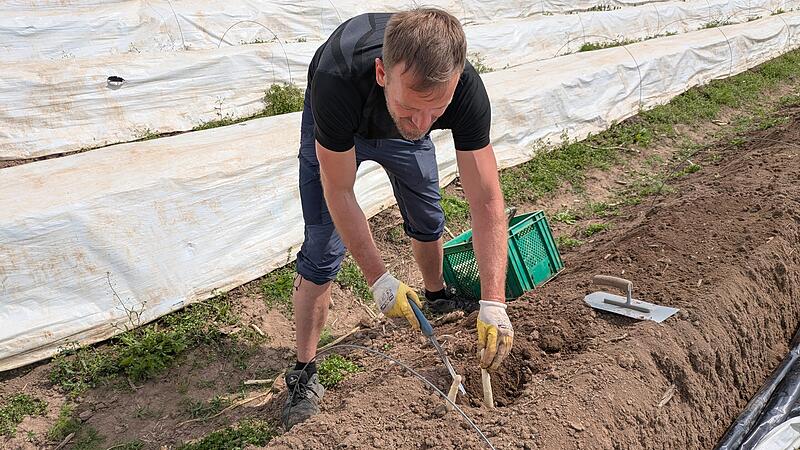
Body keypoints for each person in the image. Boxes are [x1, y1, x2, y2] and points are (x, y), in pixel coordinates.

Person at [283, 8, 514, 430]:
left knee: (427, 213)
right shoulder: (337, 79)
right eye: (412, 109)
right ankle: (303, 370)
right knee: (322, 247)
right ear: (382, 73)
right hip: (345, 124)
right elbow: (339, 190)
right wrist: (379, 279)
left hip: (392, 114)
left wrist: (493, 301)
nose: (423, 125)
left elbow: (485, 199)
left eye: (436, 112)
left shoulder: (463, 89)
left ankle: (436, 295)